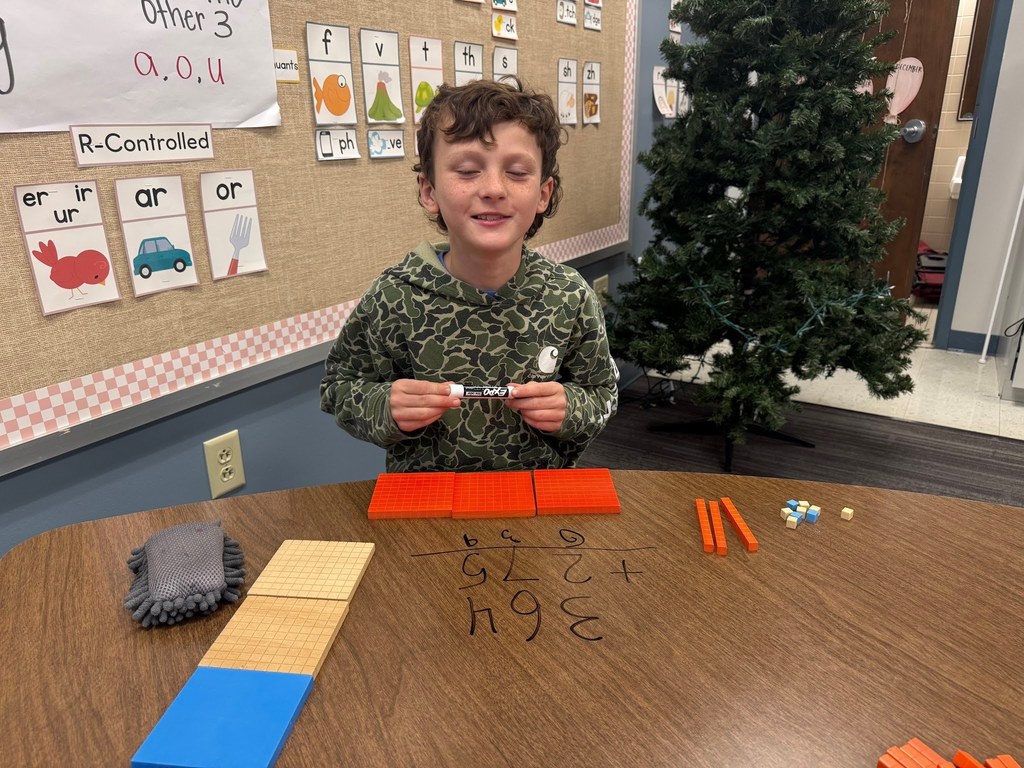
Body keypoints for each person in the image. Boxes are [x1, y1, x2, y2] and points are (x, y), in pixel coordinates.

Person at [320, 76, 618, 472]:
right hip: (425, 505)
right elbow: (338, 388)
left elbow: (602, 393)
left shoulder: (569, 297)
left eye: (516, 172)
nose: (493, 188)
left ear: (543, 194)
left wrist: (573, 408)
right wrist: (384, 407)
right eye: (466, 170)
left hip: (540, 502)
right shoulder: (393, 297)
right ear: (429, 192)